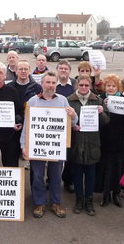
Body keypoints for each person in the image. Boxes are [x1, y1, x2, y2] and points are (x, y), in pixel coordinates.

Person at [21, 72, 78, 218]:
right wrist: (23, 145)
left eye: (53, 83)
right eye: (48, 82)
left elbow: (71, 124)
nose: (51, 85)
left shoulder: (63, 101)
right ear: (42, 83)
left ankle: (55, 202)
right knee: (38, 176)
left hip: (56, 147)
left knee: (55, 176)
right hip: (37, 145)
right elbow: (27, 125)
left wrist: (74, 116)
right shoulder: (33, 101)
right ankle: (40, 203)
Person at [67, 74, 110, 216]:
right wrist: (72, 127)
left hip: (92, 144)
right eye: (81, 85)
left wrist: (102, 113)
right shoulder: (69, 101)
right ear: (77, 85)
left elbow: (106, 122)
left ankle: (89, 201)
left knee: (91, 175)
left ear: (90, 86)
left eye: (86, 85)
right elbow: (63, 122)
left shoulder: (98, 100)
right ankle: (79, 200)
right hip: (76, 144)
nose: (84, 88)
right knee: (77, 175)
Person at [94, 74, 124, 208]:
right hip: (105, 139)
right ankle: (105, 194)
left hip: (120, 140)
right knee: (105, 168)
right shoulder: (100, 99)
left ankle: (117, 193)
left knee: (119, 167)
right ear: (105, 87)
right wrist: (103, 108)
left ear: (118, 87)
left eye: (114, 86)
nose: (111, 88)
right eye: (108, 85)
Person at [55, 59, 76, 193]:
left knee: (69, 156)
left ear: (69, 71)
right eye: (61, 68)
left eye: (66, 68)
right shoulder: (52, 83)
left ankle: (68, 181)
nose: (63, 70)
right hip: (53, 125)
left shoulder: (75, 84)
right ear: (57, 70)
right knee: (53, 156)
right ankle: (50, 180)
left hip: (70, 125)